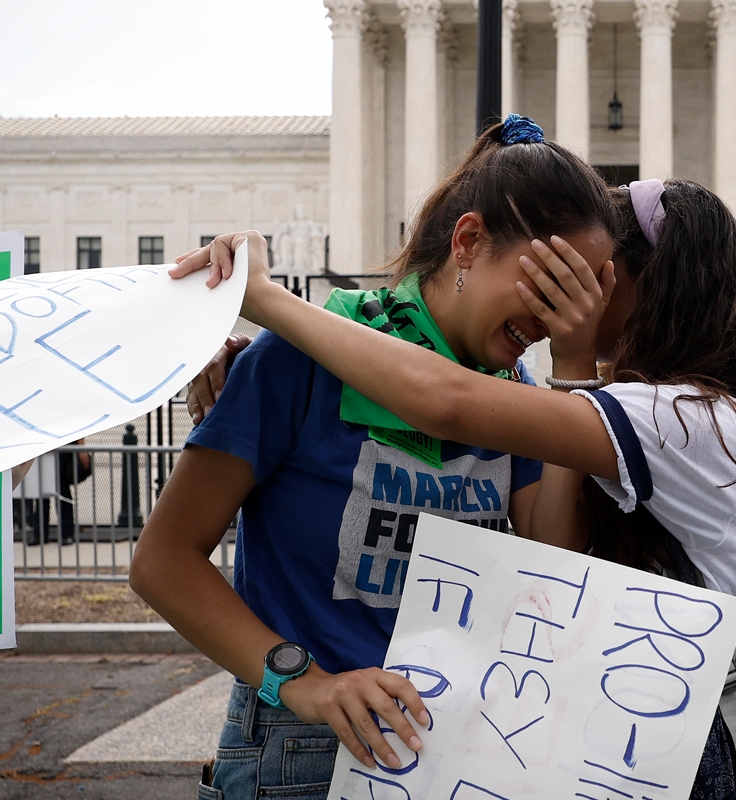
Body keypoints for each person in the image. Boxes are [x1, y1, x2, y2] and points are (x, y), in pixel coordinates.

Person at [181, 175, 736, 799]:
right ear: (468, 245)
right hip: (401, 740)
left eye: (590, 276)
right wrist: (270, 357)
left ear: (640, 284)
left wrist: (268, 302)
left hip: (656, 749)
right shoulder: (636, 410)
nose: (566, 298)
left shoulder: (681, 416)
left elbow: (447, 403)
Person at [130, 116, 620, 800]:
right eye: (549, 285)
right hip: (307, 746)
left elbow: (556, 560)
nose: (558, 316)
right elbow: (163, 560)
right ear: (469, 244)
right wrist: (304, 683)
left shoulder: (516, 396)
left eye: (581, 297)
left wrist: (573, 364)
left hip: (457, 746)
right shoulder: (292, 363)